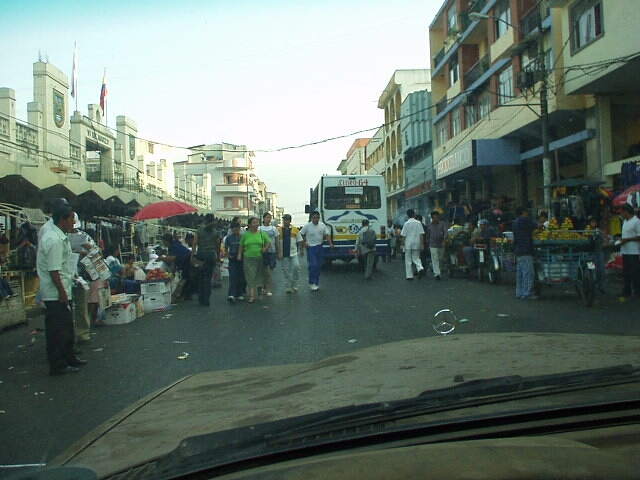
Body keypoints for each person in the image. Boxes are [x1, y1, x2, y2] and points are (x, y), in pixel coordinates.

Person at [37, 202, 86, 375]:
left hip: (62, 290)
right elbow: (54, 270)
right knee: (58, 331)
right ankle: (58, 364)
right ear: (61, 219)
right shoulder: (54, 240)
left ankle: (69, 358)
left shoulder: (60, 236)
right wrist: (62, 293)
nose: (73, 222)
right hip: (55, 294)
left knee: (66, 328)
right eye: (71, 218)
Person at [68, 213, 96, 345]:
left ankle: (83, 334)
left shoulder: (85, 237)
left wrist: (87, 251)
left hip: (81, 277)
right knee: (66, 308)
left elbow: (97, 254)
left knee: (81, 307)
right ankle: (68, 335)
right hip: (66, 275)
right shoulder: (60, 236)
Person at [238, 216, 271, 303]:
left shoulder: (262, 233)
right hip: (248, 258)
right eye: (254, 223)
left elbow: (269, 242)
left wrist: (265, 248)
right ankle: (252, 296)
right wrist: (239, 255)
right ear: (249, 225)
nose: (256, 224)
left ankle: (260, 292)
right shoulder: (245, 235)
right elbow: (241, 245)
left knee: (259, 275)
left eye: (257, 222)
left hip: (260, 257)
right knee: (251, 276)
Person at [192, 214, 222, 307]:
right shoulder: (215, 232)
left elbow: (194, 244)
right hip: (211, 255)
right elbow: (218, 246)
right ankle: (207, 300)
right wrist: (218, 257)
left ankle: (201, 299)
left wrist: (192, 256)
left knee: (201, 278)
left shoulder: (199, 231)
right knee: (208, 278)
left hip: (201, 255)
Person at [300, 210, 333, 291]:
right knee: (313, 265)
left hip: (319, 247)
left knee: (318, 266)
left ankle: (316, 282)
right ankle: (312, 282)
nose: (316, 219)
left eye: (317, 218)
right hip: (311, 248)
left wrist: (330, 243)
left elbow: (327, 234)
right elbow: (300, 235)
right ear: (311, 218)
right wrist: (304, 243)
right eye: (314, 218)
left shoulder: (322, 225)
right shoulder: (307, 226)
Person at [512, 206, 540, 300]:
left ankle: (519, 292)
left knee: (520, 273)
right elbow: (537, 226)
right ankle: (527, 293)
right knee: (528, 272)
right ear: (524, 212)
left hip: (518, 249)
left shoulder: (515, 221)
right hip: (525, 249)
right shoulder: (524, 220)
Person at [159, 233, 192, 302]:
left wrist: (161, 258)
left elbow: (172, 259)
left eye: (163, 241)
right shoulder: (173, 246)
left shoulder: (174, 246)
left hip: (187, 261)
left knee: (185, 279)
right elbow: (174, 261)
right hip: (186, 261)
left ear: (166, 241)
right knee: (186, 279)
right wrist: (173, 271)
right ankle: (186, 296)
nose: (163, 243)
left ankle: (183, 296)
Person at [277, 213, 303, 292]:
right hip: (283, 253)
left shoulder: (295, 229)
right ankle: (288, 286)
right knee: (285, 270)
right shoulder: (279, 230)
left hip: (293, 252)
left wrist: (301, 250)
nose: (285, 221)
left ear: (290, 221)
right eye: (284, 220)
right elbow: (277, 242)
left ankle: (294, 283)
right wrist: (278, 253)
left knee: (296, 267)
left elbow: (299, 240)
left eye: (287, 220)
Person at [619, 204, 640, 299]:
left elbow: (639, 236)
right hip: (625, 250)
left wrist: (627, 240)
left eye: (622, 212)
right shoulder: (625, 222)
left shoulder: (636, 221)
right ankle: (626, 290)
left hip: (634, 251)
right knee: (626, 272)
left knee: (635, 272)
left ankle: (637, 291)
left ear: (626, 212)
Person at [259, 212, 280, 296]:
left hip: (272, 251)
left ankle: (269, 289)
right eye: (267, 217)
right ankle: (263, 287)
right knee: (263, 270)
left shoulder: (273, 229)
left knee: (270, 271)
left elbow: (277, 241)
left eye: (270, 217)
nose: (268, 219)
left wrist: (279, 252)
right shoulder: (259, 228)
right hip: (263, 251)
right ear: (263, 218)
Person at [400, 209, 425, 280]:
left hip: (408, 243)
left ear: (407, 215)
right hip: (417, 243)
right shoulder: (418, 223)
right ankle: (420, 267)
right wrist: (422, 244)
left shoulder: (406, 223)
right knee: (416, 257)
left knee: (408, 260)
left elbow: (404, 235)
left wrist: (401, 244)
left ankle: (409, 276)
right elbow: (421, 234)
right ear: (414, 214)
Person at [224, 221, 245, 302]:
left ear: (239, 229)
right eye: (234, 230)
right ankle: (231, 294)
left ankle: (239, 294)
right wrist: (228, 255)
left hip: (241, 259)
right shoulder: (228, 238)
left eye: (237, 230)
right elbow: (226, 248)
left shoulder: (242, 237)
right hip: (232, 259)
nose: (235, 232)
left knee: (240, 277)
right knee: (233, 276)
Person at [425, 210, 448, 280]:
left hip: (441, 244)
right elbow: (427, 235)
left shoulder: (442, 224)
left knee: (440, 258)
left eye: (437, 217)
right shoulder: (429, 226)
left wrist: (444, 240)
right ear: (432, 218)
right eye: (434, 217)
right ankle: (437, 274)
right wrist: (427, 244)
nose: (436, 219)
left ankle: (439, 269)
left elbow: (445, 232)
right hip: (432, 244)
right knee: (435, 258)